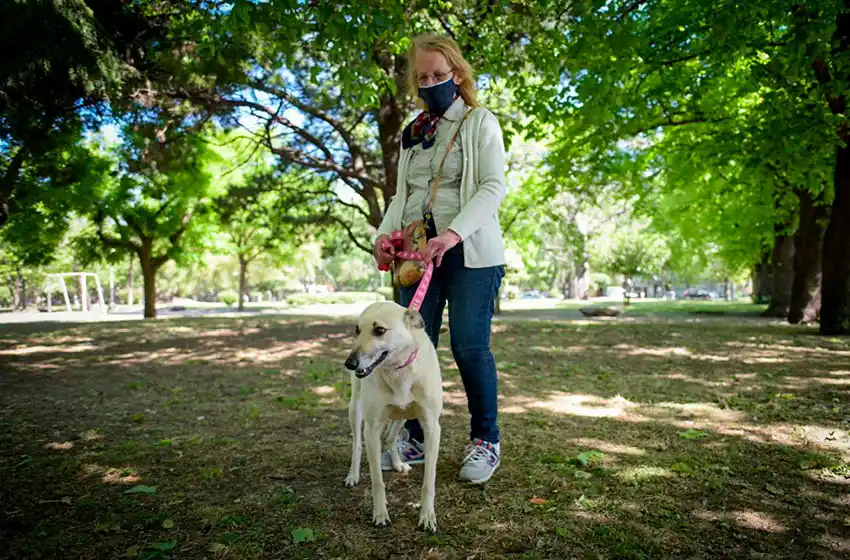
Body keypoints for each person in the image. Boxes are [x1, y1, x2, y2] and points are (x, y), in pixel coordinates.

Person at [373, 34, 507, 484]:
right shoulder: (413, 134)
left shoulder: (479, 122)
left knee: (469, 347)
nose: (431, 82)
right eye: (423, 77)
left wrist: (451, 234)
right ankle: (413, 433)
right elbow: (402, 196)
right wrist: (383, 236)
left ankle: (485, 440)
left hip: (471, 255)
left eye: (439, 74)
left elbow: (492, 187)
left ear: (458, 75)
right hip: (416, 258)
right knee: (407, 347)